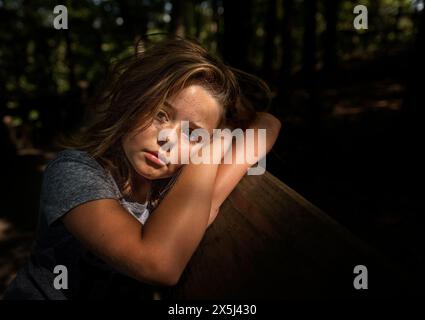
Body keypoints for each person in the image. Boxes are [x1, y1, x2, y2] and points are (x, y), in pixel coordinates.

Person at [3, 37, 281, 300]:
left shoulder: (172, 188)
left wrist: (216, 138)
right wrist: (211, 147)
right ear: (131, 103)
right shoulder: (73, 171)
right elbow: (158, 262)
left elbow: (268, 124)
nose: (168, 140)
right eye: (161, 114)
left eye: (192, 134)